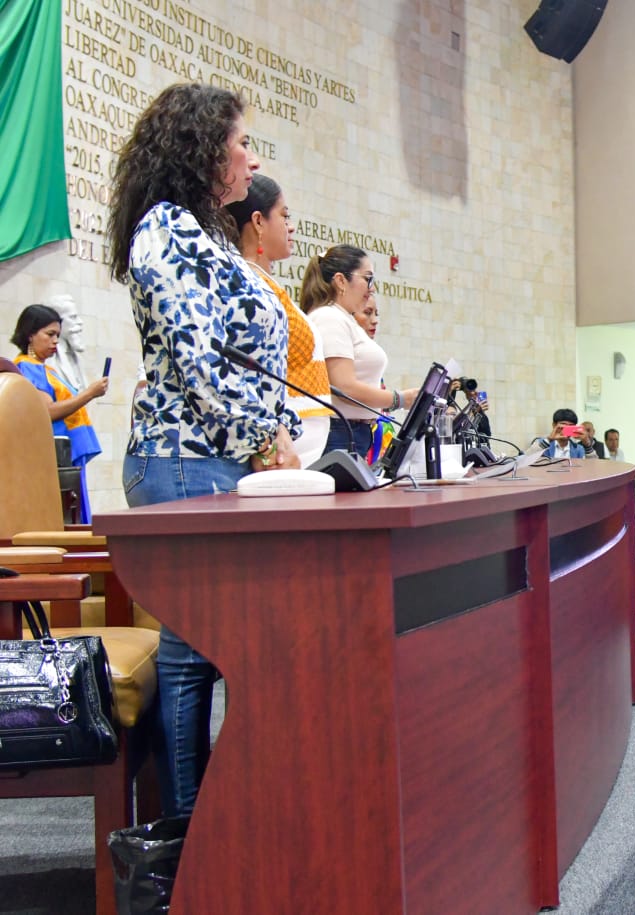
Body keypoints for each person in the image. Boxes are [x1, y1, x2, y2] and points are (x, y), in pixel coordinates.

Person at [107, 83, 303, 817]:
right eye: (242, 143)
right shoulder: (164, 228)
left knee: (212, 651)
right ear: (203, 150)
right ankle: (188, 840)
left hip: (219, 458)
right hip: (181, 458)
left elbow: (247, 364)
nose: (252, 157)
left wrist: (272, 429)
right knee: (192, 655)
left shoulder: (204, 233)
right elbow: (200, 364)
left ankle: (213, 822)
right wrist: (266, 436)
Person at [224, 175, 332, 467]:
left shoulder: (266, 283)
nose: (291, 226)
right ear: (258, 222)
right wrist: (267, 442)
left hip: (294, 449)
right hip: (276, 452)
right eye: (285, 216)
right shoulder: (244, 282)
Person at [300, 245, 416, 456]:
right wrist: (400, 399)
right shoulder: (329, 317)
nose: (372, 288)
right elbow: (345, 387)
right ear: (341, 281)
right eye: (368, 279)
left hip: (352, 432)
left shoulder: (343, 319)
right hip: (340, 433)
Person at [11, 304, 110, 521]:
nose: (55, 341)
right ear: (30, 334)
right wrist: (90, 393)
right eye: (50, 334)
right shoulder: (27, 367)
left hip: (68, 455)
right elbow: (47, 411)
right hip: (56, 456)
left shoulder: (47, 368)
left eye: (57, 335)